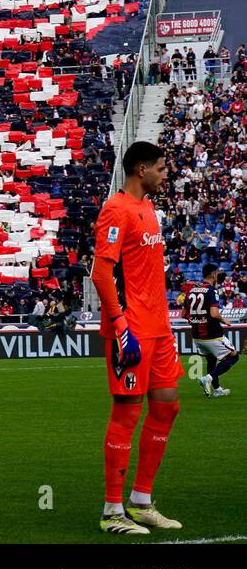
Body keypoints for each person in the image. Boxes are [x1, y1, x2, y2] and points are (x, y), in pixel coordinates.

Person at [90, 141, 183, 536]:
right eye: (161, 168)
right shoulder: (117, 209)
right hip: (131, 331)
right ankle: (112, 510)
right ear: (141, 168)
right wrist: (120, 326)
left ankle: (142, 501)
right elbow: (101, 273)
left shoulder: (148, 209)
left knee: (166, 407)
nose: (165, 174)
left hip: (158, 329)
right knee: (126, 415)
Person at [184, 264, 237, 397]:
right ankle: (208, 378)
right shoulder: (212, 291)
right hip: (212, 334)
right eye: (217, 273)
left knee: (211, 360)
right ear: (213, 274)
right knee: (233, 356)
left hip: (197, 336)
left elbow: (184, 313)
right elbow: (214, 314)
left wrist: (196, 320)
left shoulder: (192, 290)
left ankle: (217, 389)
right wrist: (224, 320)